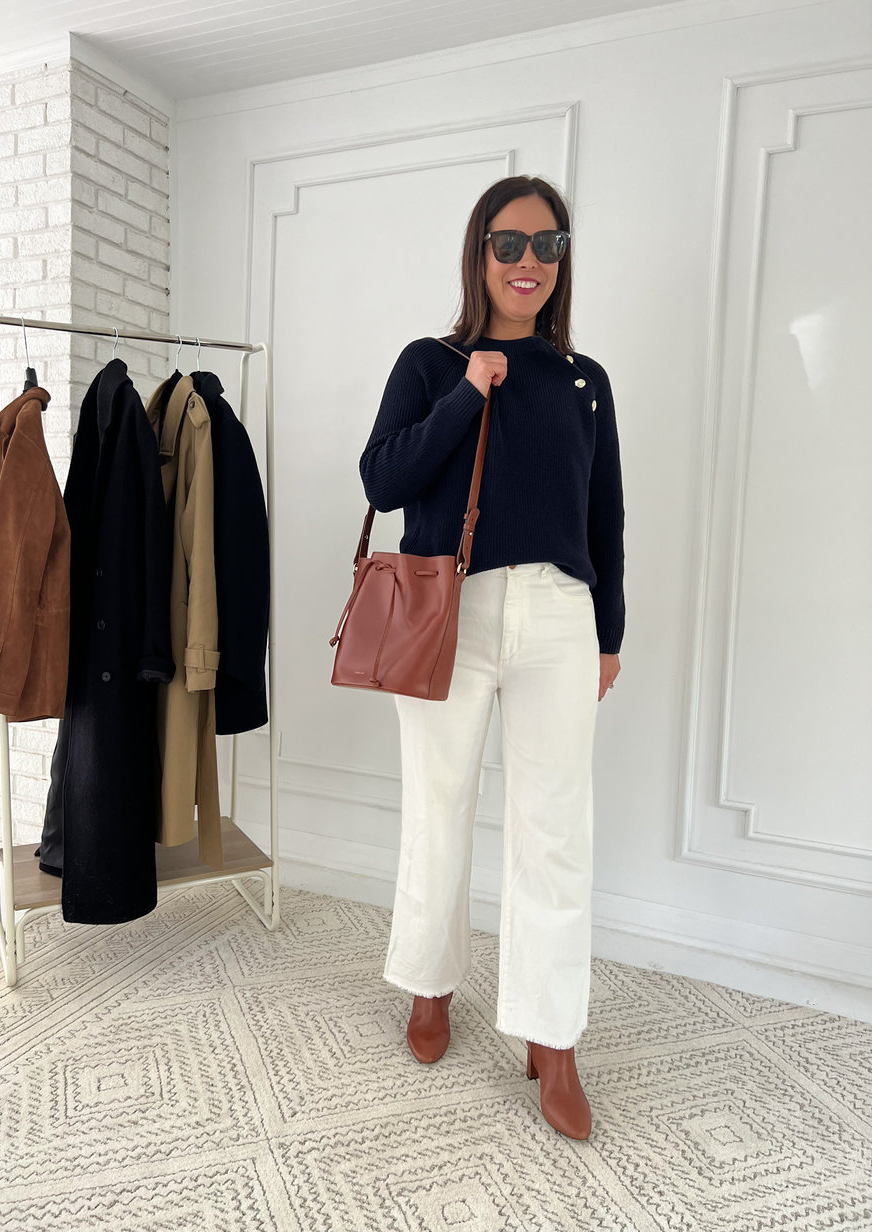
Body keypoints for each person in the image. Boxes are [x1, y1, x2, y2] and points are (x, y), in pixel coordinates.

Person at [358, 175, 624, 1140]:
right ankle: (429, 986)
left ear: (562, 262)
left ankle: (551, 1035)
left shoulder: (584, 379)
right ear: (480, 255)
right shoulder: (431, 362)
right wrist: (468, 393)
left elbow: (606, 515)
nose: (528, 264)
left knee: (556, 831)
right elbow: (383, 477)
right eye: (509, 245)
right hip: (449, 613)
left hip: (560, 614)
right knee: (438, 806)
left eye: (547, 247)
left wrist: (611, 635)